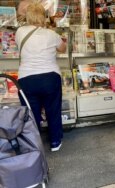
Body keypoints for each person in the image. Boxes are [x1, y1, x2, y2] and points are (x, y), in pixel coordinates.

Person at [15, 2, 66, 152]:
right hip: (50, 78)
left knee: (31, 114)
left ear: (28, 16)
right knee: (53, 110)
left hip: (26, 80)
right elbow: (62, 49)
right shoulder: (51, 34)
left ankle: (33, 146)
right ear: (43, 16)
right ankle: (55, 142)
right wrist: (62, 41)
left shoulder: (19, 32)